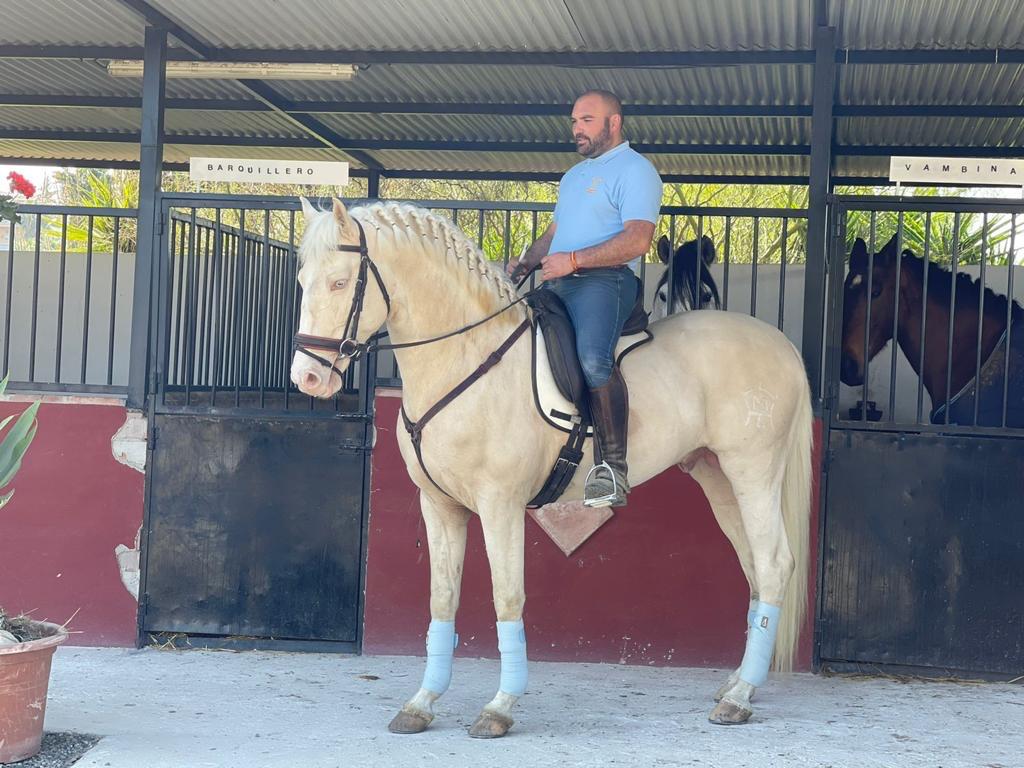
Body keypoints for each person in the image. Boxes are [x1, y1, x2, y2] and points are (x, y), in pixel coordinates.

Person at [509, 90, 663, 507]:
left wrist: (575, 262)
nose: (576, 129)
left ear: (614, 123)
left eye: (587, 121)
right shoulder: (574, 176)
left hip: (606, 281)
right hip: (560, 278)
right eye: (574, 121)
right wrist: (524, 263)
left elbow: (638, 240)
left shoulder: (636, 171)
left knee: (594, 359)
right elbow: (554, 235)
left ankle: (612, 470)